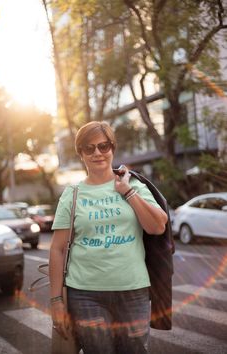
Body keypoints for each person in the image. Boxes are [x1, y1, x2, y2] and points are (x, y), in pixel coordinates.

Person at [49, 121, 168, 354]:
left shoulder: (133, 184)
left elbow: (157, 226)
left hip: (133, 291)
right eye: (89, 148)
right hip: (85, 295)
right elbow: (57, 249)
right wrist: (56, 302)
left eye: (103, 146)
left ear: (112, 148)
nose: (97, 153)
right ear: (80, 153)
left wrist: (127, 192)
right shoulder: (72, 194)